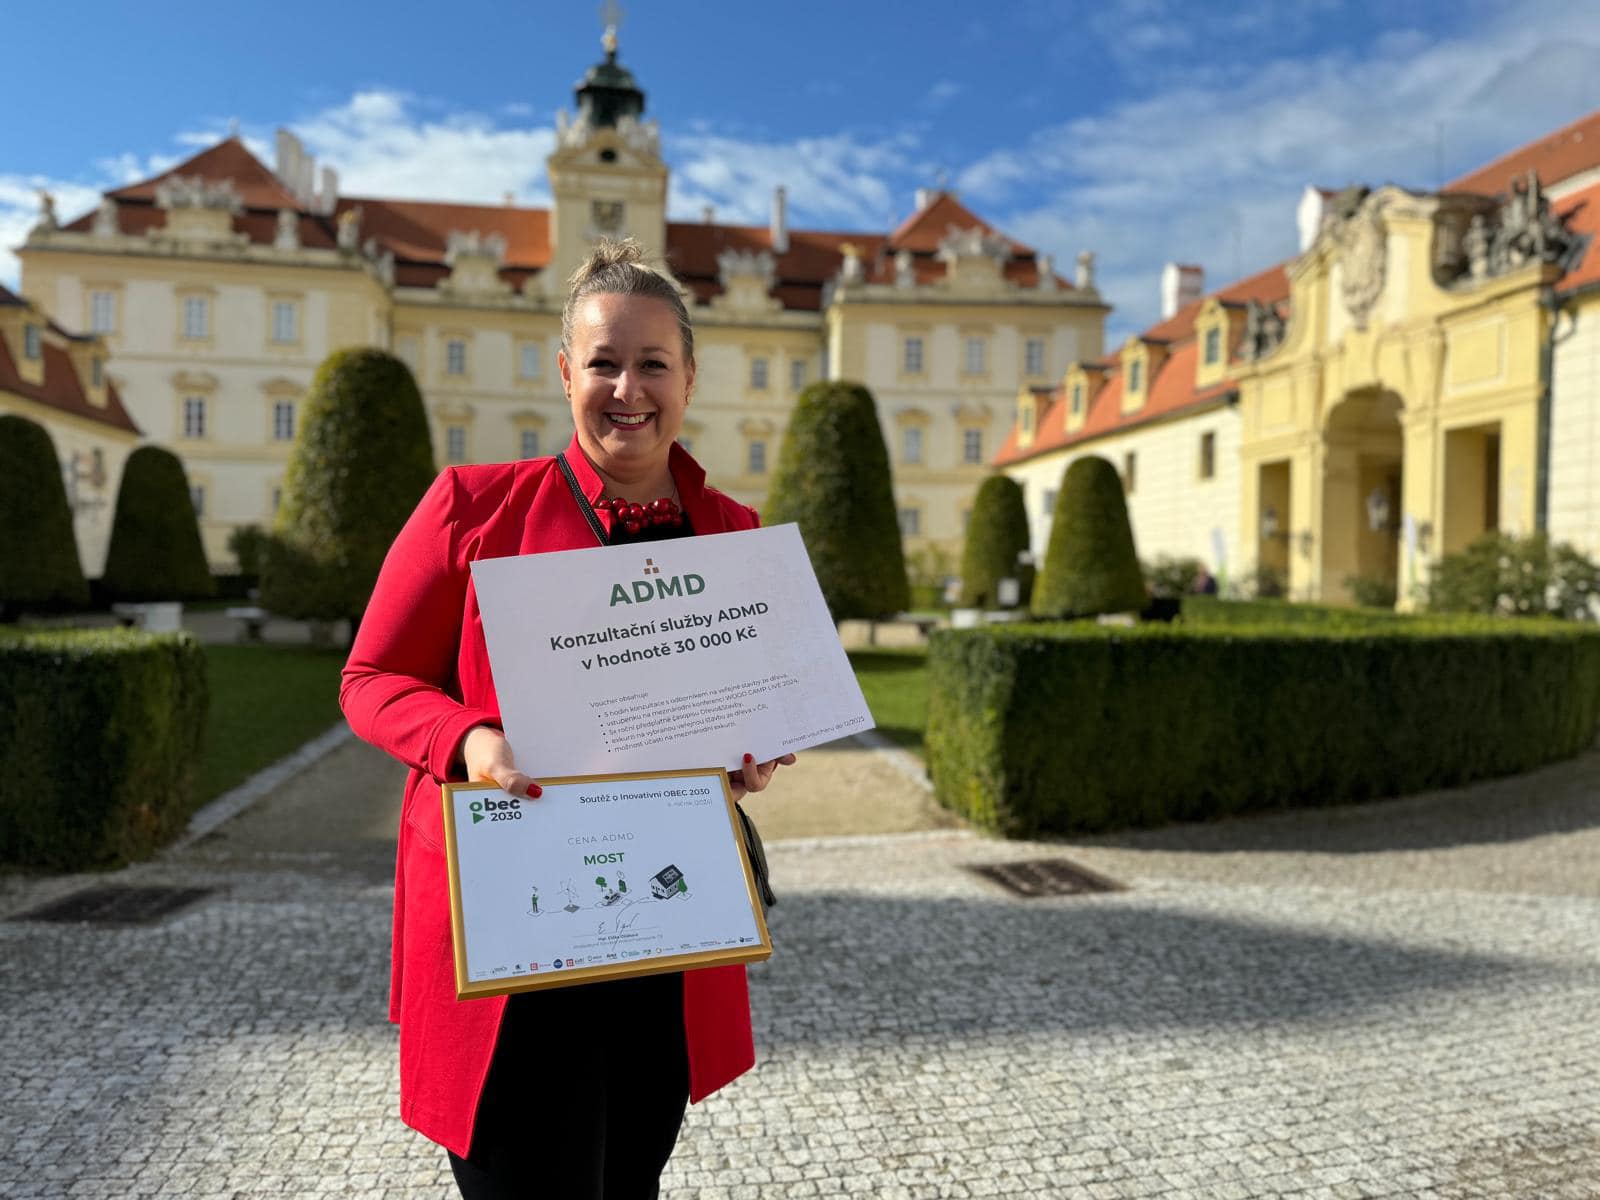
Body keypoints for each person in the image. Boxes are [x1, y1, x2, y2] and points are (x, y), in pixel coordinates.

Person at [340, 238, 795, 1199]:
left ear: (690, 377)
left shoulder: (736, 535)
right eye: (603, 362)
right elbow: (371, 678)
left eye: (653, 363)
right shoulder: (470, 507)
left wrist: (748, 752)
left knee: (629, 1179)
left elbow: (741, 714)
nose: (628, 389)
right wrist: (467, 738)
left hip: (665, 927)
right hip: (511, 929)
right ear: (564, 373)